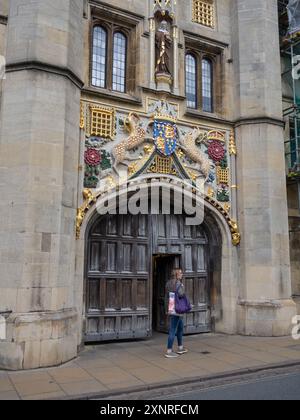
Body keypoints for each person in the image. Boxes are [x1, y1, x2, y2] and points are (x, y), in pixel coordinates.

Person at [165, 268, 189, 358]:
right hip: (178, 309)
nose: (182, 274)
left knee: (180, 328)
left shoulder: (168, 283)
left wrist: (166, 309)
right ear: (176, 274)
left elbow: (166, 296)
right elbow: (182, 294)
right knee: (172, 330)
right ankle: (169, 351)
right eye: (180, 273)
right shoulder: (178, 284)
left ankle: (180, 348)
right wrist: (182, 287)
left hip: (171, 307)